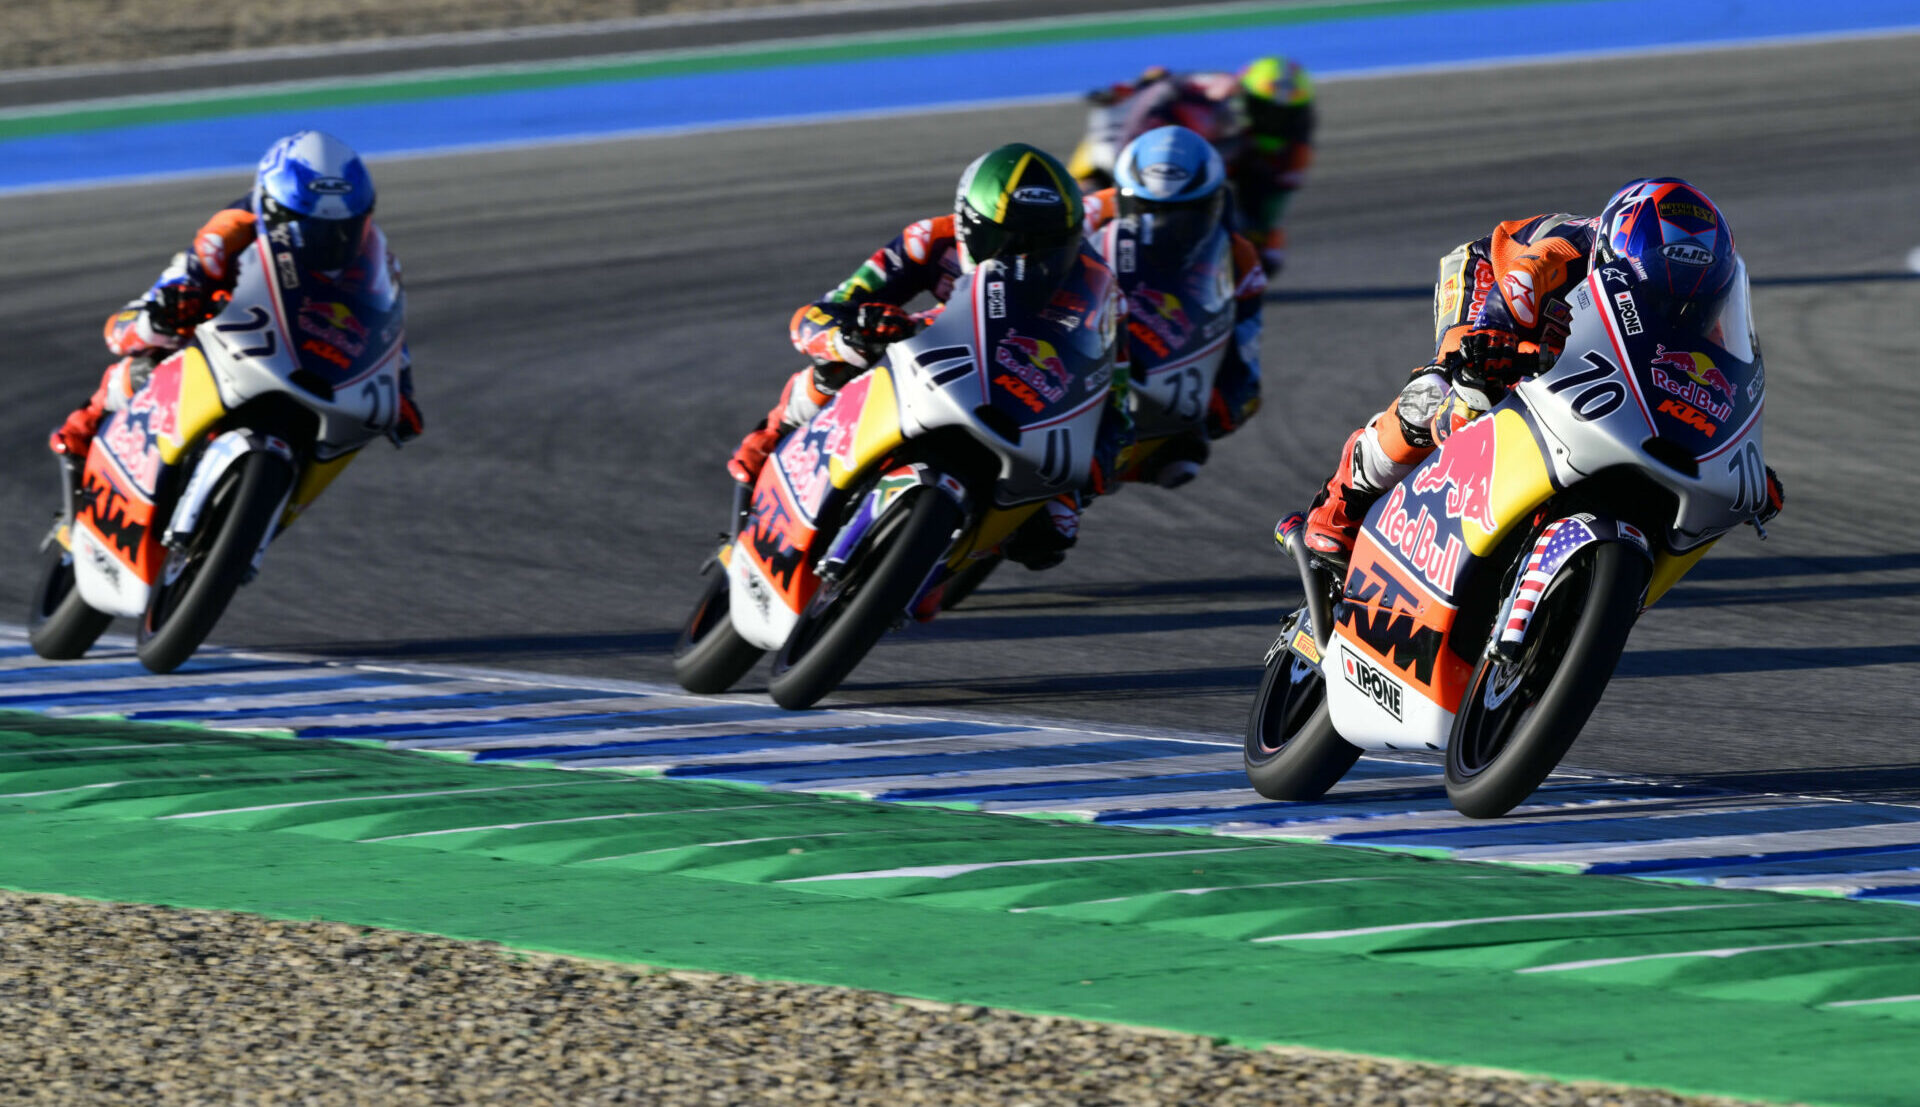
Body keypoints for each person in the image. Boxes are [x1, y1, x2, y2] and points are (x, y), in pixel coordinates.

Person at [1298, 177, 1783, 564]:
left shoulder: (1703, 307)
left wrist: (1739, 463)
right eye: (1662, 297)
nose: (1680, 312)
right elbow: (1520, 286)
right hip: (1495, 282)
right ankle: (1341, 504)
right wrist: (1491, 339)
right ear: (1619, 259)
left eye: (1694, 305)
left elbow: (1716, 382)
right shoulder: (1569, 247)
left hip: (1562, 324)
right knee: (1447, 394)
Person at [727, 142, 1132, 571]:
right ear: (968, 224)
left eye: (1043, 244)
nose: (1021, 256)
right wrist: (848, 333)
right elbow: (819, 314)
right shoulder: (928, 241)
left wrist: (1078, 488)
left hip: (1024, 394)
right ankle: (775, 435)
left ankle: (945, 559)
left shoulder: (1102, 294)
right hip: (936, 350)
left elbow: (1115, 407)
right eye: (1005, 240)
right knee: (846, 355)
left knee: (1050, 534)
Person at [49, 130, 422, 462]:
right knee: (149, 334)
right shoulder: (232, 227)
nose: (330, 243)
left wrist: (401, 392)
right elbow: (191, 275)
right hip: (235, 319)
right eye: (312, 229)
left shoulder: (377, 260)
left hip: (306, 348)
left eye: (344, 229)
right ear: (272, 211)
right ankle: (86, 422)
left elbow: (389, 330)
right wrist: (176, 306)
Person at [1081, 125, 1266, 487]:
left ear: (1211, 204)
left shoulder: (1240, 260)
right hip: (1076, 338)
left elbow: (1246, 357)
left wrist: (1223, 403)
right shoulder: (1090, 214)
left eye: (1180, 215)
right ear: (1122, 197)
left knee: (1183, 457)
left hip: (1159, 368)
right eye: (1146, 209)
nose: (1161, 227)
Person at [1077, 56, 1316, 275]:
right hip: (1135, 145)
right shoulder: (1201, 102)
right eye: (1269, 111)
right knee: (1088, 203)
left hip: (1211, 163)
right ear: (1244, 97)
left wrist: (1256, 233)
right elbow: (1154, 85)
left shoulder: (1293, 140)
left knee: (1264, 257)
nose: (1278, 121)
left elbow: (1274, 203)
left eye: (1289, 114)